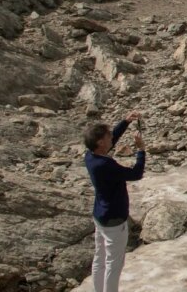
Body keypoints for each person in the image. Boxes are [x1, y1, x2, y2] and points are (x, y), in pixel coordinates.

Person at [83, 112, 146, 292]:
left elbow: (112, 141)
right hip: (114, 220)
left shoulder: (91, 156)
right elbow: (136, 174)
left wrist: (125, 122)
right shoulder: (106, 165)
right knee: (114, 264)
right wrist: (141, 150)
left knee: (100, 258)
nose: (111, 137)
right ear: (100, 142)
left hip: (100, 216)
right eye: (107, 136)